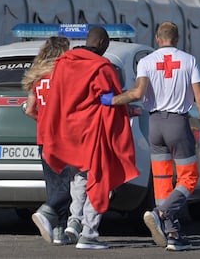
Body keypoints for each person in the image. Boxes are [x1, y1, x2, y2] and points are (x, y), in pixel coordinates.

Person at [100, 21, 200, 251]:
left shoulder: (147, 61)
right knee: (189, 177)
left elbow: (138, 93)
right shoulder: (189, 60)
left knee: (162, 181)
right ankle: (162, 213)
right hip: (178, 124)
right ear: (177, 39)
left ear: (157, 39)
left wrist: (112, 100)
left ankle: (172, 233)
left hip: (155, 124)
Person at [41, 26, 139, 249]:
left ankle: (73, 223)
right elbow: (111, 101)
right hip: (94, 132)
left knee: (79, 178)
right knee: (99, 178)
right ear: (103, 42)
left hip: (69, 132)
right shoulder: (102, 67)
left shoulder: (64, 62)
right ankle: (89, 234)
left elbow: (56, 97)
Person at [21, 36, 71, 245]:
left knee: (54, 185)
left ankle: (59, 232)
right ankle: (48, 212)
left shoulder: (37, 78)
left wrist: (44, 122)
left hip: (44, 138)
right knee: (72, 183)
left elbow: (30, 110)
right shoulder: (64, 76)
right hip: (65, 137)